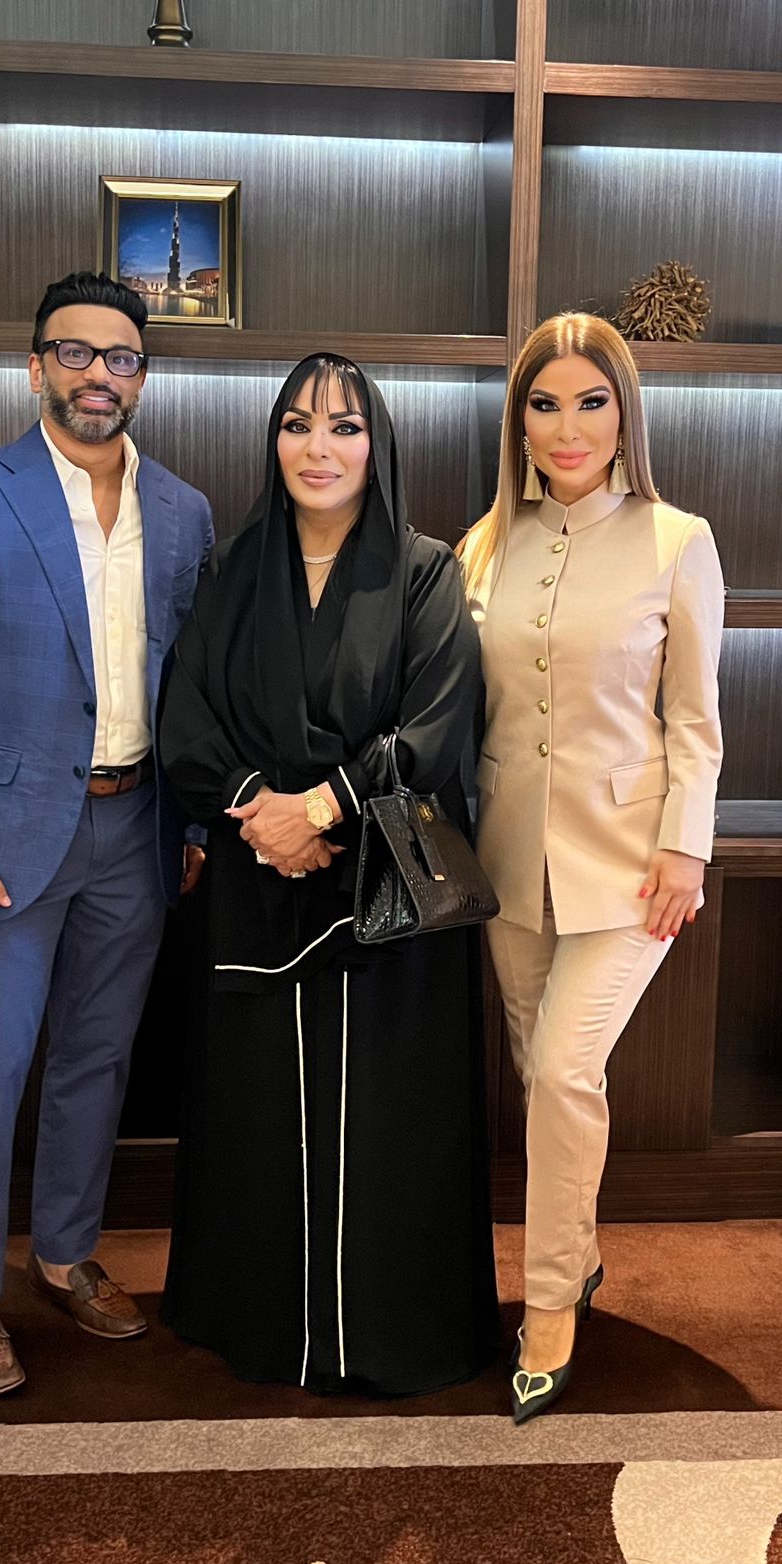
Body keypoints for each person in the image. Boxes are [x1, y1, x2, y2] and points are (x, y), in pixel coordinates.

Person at [158, 353, 499, 1395]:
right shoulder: (231, 568)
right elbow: (187, 718)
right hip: (255, 878)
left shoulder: (425, 570)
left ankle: (392, 1335)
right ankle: (263, 1327)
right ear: (274, 439)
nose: (319, 448)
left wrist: (319, 808)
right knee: (259, 1116)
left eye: (344, 427)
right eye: (298, 424)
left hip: (384, 885)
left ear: (376, 445)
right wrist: (263, 812)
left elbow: (438, 723)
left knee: (392, 1125)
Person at [0, 271, 213, 1395]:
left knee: (98, 1057)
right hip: (7, 838)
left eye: (121, 358)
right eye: (75, 353)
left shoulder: (184, 511)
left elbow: (196, 686)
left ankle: (66, 1252)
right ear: (35, 366)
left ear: (142, 378)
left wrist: (194, 819)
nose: (97, 375)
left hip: (140, 827)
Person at [458, 312, 724, 1423]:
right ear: (519, 422)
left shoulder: (677, 540)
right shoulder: (483, 544)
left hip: (630, 867)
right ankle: (580, 1246)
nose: (568, 427)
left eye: (591, 402)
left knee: (566, 1071)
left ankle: (552, 1300)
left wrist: (687, 844)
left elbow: (694, 719)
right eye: (545, 403)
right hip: (507, 861)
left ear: (625, 415)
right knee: (545, 1074)